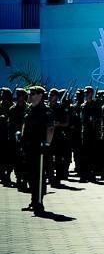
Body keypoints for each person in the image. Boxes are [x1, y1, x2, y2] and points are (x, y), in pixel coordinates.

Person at [19, 86, 54, 215]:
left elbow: (50, 129)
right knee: (30, 175)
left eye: (33, 94)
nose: (30, 96)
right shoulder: (30, 109)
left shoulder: (46, 111)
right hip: (28, 147)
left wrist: (47, 144)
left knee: (39, 176)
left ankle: (39, 202)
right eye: (30, 93)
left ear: (40, 95)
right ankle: (33, 200)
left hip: (39, 148)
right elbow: (24, 125)